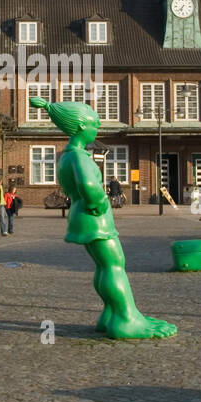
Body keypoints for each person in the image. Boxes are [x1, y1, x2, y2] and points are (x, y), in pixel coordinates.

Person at [30, 95, 175, 340]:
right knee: (114, 264)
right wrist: (98, 203)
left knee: (104, 265)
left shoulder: (66, 156)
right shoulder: (79, 156)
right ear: (80, 127)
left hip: (80, 215)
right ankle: (126, 318)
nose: (97, 128)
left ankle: (110, 313)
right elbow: (88, 185)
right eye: (94, 124)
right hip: (93, 217)